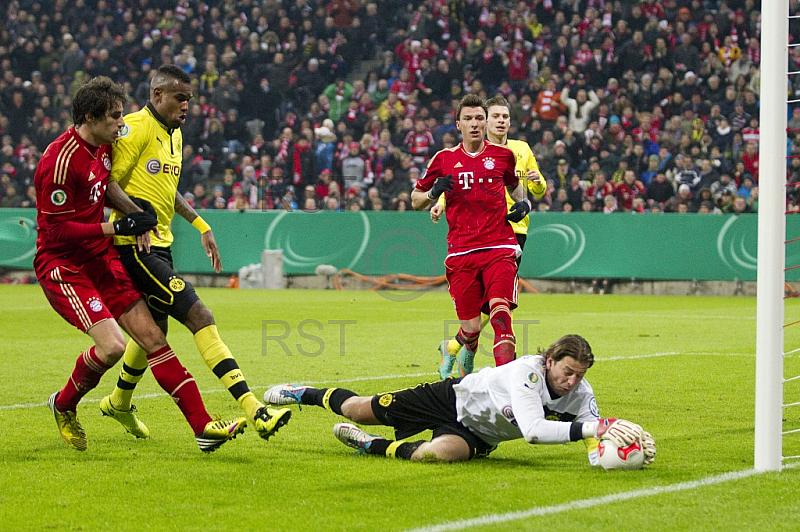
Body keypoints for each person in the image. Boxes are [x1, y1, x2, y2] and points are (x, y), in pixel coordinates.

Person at [36, 76, 246, 453]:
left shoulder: (105, 146)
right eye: (115, 117)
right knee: (115, 347)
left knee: (152, 338)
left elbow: (106, 186)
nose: (122, 123)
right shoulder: (58, 160)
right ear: (90, 116)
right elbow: (55, 232)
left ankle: (202, 427)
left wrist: (134, 213)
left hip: (100, 257)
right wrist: (114, 226)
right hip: (64, 265)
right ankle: (64, 402)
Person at [102, 65, 291, 442]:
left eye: (189, 99)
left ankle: (118, 402)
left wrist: (200, 224)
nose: (187, 106)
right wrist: (136, 217)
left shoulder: (175, 134)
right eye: (179, 98)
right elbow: (107, 182)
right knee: (199, 313)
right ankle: (255, 409)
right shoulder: (136, 127)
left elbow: (167, 189)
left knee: (154, 331)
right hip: (134, 247)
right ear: (157, 96)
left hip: (162, 244)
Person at [263, 334, 656, 464]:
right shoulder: (527, 371)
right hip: (450, 399)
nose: (571, 382)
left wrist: (610, 454)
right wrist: (598, 427)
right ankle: (305, 393)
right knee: (359, 409)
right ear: (550, 360)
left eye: (579, 375)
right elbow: (534, 433)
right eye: (567, 372)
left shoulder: (580, 396)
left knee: (432, 455)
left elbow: (590, 436)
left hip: (480, 436)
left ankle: (373, 446)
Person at [411, 94, 533, 380]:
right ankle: (453, 348)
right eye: (468, 119)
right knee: (471, 327)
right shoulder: (443, 159)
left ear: (486, 121)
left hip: (499, 247)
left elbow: (516, 189)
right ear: (458, 124)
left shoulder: (503, 156)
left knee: (501, 315)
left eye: (480, 118)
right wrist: (432, 193)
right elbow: (415, 199)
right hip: (461, 253)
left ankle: (509, 389)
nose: (475, 124)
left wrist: (524, 203)